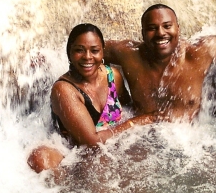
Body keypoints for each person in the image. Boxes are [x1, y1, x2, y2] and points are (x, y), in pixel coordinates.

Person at [28, 23, 155, 173]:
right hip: (73, 154)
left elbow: (128, 108)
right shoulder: (64, 90)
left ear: (102, 53)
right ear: (69, 53)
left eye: (94, 50)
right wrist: (137, 122)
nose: (87, 57)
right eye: (79, 51)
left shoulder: (112, 76)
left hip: (111, 148)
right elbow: (92, 142)